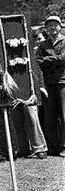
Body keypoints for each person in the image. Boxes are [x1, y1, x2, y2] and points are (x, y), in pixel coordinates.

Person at [36, 15, 65, 157]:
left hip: (63, 82)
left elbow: (63, 58)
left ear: (60, 26)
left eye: (55, 25)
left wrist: (47, 59)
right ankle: (53, 146)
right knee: (50, 116)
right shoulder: (43, 45)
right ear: (46, 28)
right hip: (49, 83)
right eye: (49, 25)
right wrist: (53, 60)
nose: (52, 28)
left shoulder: (64, 41)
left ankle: (64, 145)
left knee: (64, 115)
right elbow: (38, 61)